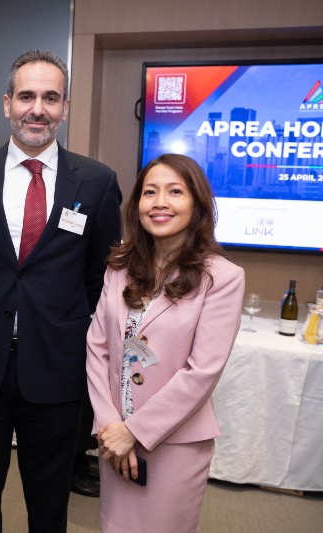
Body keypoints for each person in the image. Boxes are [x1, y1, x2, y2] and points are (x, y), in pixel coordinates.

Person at [0, 50, 122, 532]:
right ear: (7, 104)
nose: (37, 109)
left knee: (50, 501)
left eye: (50, 98)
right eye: (26, 96)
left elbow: (99, 277)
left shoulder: (97, 182)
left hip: (57, 367)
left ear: (65, 108)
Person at [86, 153, 245, 532]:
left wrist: (134, 431)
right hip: (113, 438)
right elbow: (97, 347)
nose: (160, 202)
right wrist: (110, 425)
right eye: (150, 192)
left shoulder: (221, 277)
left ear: (197, 203)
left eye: (175, 192)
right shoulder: (120, 267)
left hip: (174, 443)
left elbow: (202, 372)